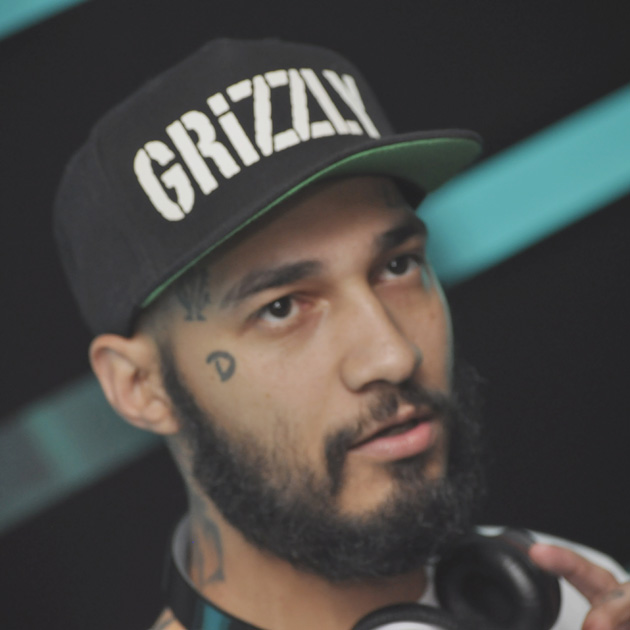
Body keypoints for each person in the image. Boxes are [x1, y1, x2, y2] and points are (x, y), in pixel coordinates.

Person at [53, 38, 629, 630]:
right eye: (281, 307)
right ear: (141, 387)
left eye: (398, 266)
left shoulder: (577, 593)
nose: (392, 354)